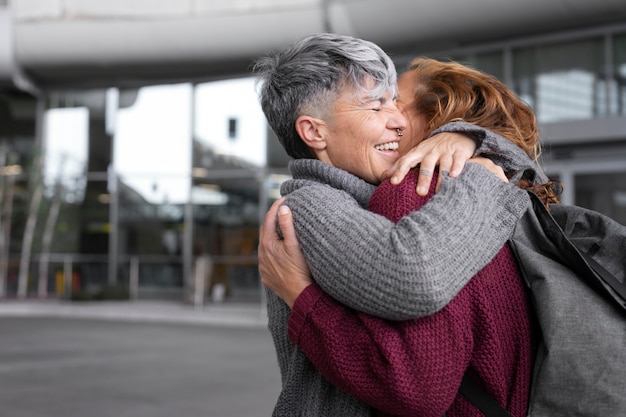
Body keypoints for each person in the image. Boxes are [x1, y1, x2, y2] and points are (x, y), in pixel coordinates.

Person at [253, 33, 545, 416]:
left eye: (394, 102)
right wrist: (482, 177)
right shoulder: (306, 207)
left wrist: (470, 139)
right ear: (314, 132)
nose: (398, 121)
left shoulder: (374, 195)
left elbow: (534, 179)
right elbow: (411, 275)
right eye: (375, 107)